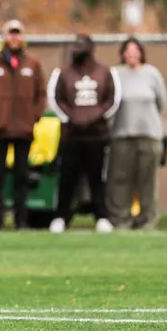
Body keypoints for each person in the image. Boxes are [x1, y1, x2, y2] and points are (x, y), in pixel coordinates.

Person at [46, 33, 120, 234]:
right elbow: (55, 100)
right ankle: (61, 217)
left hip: (97, 135)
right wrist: (72, 119)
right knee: (67, 178)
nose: (75, 50)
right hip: (72, 135)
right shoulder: (62, 73)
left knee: (97, 178)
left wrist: (94, 118)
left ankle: (101, 217)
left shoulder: (106, 72)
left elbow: (112, 101)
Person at [0, 19, 45, 229]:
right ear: (5, 37)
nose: (14, 38)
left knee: (21, 176)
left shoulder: (32, 63)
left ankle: (20, 220)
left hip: (24, 130)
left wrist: (33, 116)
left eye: (17, 34)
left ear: (22, 37)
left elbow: (41, 94)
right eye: (10, 34)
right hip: (0, 129)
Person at [106, 37, 167, 229]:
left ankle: (147, 219)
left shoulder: (152, 74)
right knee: (120, 179)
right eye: (128, 51)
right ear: (123, 53)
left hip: (149, 135)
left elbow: (161, 103)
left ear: (141, 53)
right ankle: (120, 219)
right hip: (121, 135)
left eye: (135, 50)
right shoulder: (115, 74)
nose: (132, 54)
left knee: (147, 180)